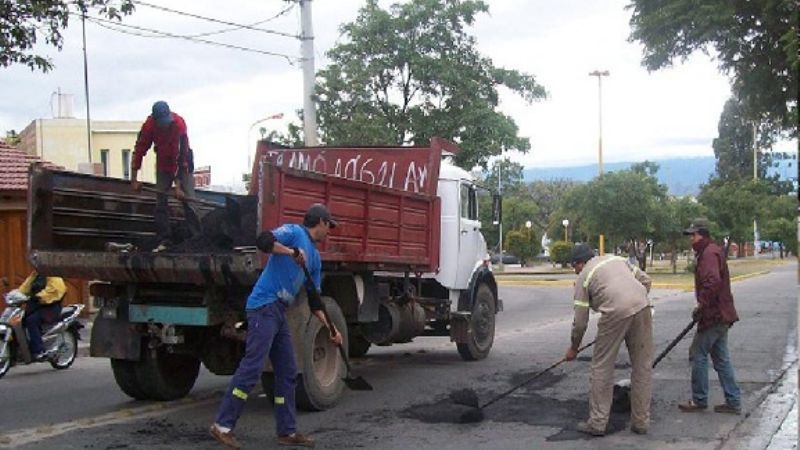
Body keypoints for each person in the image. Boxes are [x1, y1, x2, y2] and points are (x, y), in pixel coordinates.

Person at [209, 204, 343, 449]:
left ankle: (287, 431)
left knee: (288, 371)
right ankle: (222, 426)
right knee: (252, 366)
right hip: (264, 306)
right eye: (329, 226)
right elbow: (263, 240)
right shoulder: (294, 232)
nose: (329, 232)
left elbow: (315, 301)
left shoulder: (314, 259)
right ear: (321, 222)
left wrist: (332, 330)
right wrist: (290, 252)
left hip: (280, 311)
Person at [564, 243, 654, 436]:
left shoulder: (583, 276)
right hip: (642, 307)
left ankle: (597, 423)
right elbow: (646, 280)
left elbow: (580, 323)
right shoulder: (616, 259)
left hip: (615, 312)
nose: (575, 271)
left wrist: (573, 348)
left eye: (574, 267)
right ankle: (641, 422)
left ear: (579, 263)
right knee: (642, 367)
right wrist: (634, 302)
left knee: (601, 367)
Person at [678, 218, 741, 414]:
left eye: (693, 235)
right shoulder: (711, 251)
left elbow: (712, 281)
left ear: (702, 235)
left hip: (714, 315)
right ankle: (733, 401)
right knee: (721, 359)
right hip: (721, 314)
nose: (691, 240)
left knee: (698, 354)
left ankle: (699, 400)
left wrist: (702, 305)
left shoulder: (709, 253)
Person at [130, 100, 199, 251]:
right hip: (163, 162)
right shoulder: (149, 126)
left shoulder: (179, 125)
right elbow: (139, 150)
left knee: (189, 199)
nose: (166, 125)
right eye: (162, 123)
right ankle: (165, 238)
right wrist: (134, 179)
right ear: (155, 120)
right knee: (161, 201)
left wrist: (178, 186)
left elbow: (179, 156)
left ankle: (196, 238)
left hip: (183, 161)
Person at [17, 271, 67, 360]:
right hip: (36, 305)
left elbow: (55, 290)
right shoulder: (34, 275)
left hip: (50, 307)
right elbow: (25, 287)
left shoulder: (53, 275)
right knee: (20, 320)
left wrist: (40, 296)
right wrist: (17, 295)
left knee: (31, 320)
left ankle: (39, 350)